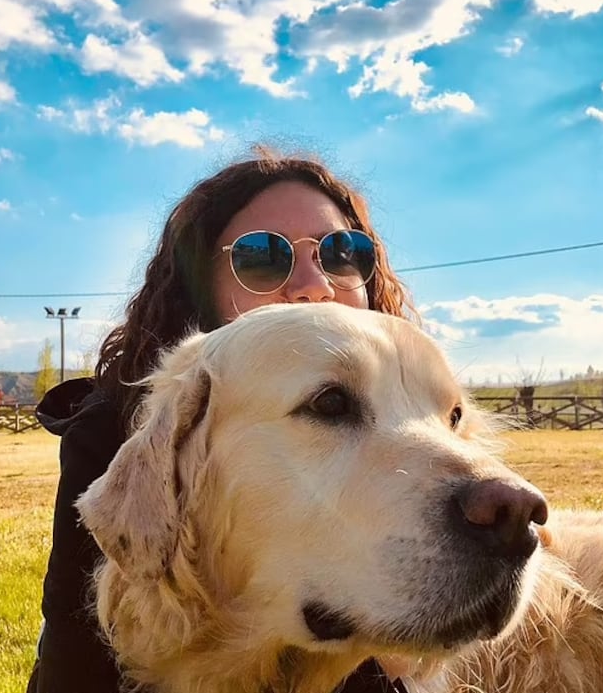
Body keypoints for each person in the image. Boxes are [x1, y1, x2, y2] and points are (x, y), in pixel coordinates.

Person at [27, 147, 418, 693]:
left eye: (341, 252)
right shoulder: (112, 434)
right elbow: (79, 662)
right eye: (262, 257)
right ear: (198, 285)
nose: (315, 284)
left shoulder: (417, 419)